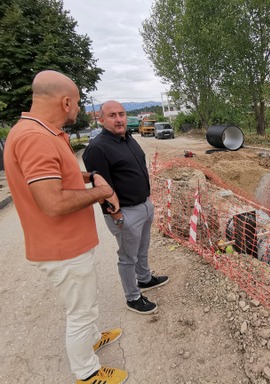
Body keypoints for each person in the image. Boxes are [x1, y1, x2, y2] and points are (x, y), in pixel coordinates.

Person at [4, 70, 128, 384]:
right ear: (66, 101)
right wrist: (103, 191)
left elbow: (58, 179)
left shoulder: (42, 132)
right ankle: (86, 372)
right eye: (76, 104)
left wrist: (88, 178)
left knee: (86, 301)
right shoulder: (35, 138)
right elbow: (52, 202)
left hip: (69, 244)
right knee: (80, 310)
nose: (77, 110)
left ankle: (91, 339)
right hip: (62, 247)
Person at [83, 100, 169, 315]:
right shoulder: (98, 148)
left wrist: (148, 203)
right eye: (112, 115)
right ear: (101, 120)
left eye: (121, 113)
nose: (119, 119)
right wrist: (117, 216)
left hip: (144, 205)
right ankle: (133, 297)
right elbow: (101, 188)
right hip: (126, 212)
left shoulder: (129, 139)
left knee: (142, 249)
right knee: (127, 257)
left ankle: (145, 279)